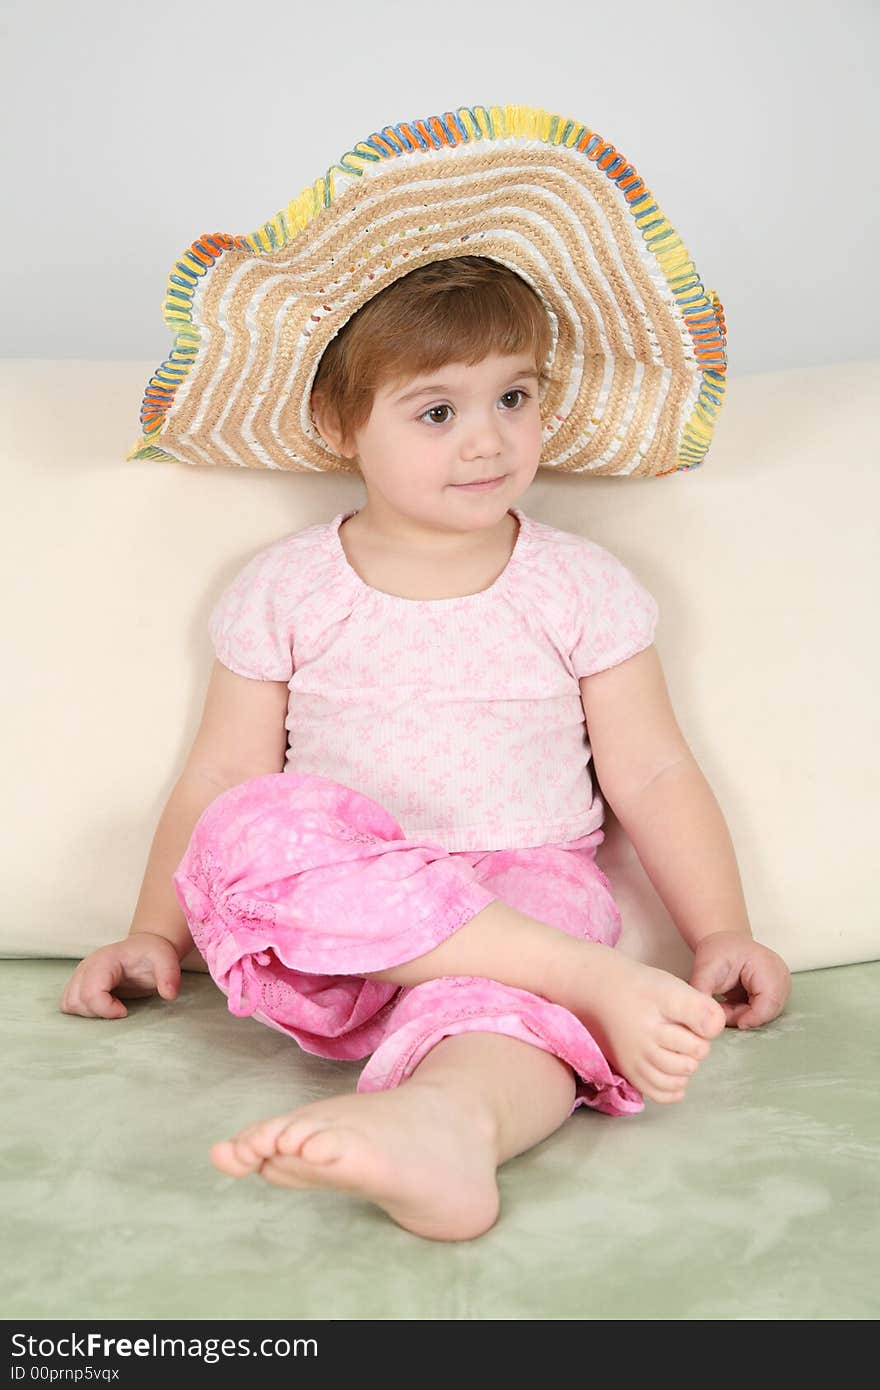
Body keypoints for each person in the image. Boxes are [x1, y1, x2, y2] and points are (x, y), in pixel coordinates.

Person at [60, 109, 791, 1244]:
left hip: (522, 888)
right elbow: (219, 781)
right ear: (339, 423)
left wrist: (719, 930)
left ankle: (447, 1128)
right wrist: (154, 929)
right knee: (254, 822)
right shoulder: (286, 586)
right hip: (340, 927)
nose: (488, 439)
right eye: (437, 411)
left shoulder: (579, 583)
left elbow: (649, 769)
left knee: (510, 1017)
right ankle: (570, 982)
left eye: (514, 396)